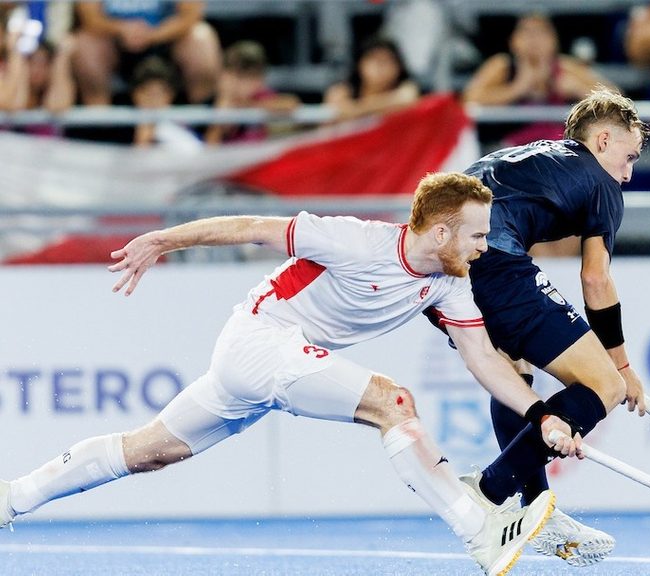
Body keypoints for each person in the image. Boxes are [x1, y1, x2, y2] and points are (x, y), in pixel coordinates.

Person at [0, 172, 587, 576]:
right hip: (259, 342)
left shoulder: (450, 280)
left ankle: (12, 497)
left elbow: (483, 359)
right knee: (392, 402)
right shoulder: (356, 241)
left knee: (153, 450)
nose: (487, 245)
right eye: (479, 234)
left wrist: (542, 418)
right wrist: (162, 239)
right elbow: (250, 226)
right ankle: (478, 531)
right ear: (441, 232)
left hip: (279, 360)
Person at [428, 87, 648, 567]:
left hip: (438, 263)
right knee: (603, 386)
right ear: (604, 139)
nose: (628, 174)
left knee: (513, 369)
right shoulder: (601, 183)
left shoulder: (528, 154)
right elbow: (595, 278)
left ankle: (534, 511)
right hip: (493, 261)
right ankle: (488, 493)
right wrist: (623, 366)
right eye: (629, 157)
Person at [462, 13, 609, 147]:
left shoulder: (565, 67)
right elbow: (469, 99)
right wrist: (516, 89)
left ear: (554, 41)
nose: (534, 38)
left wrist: (579, 89)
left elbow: (615, 98)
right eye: (526, 31)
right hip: (507, 151)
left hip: (559, 150)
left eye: (541, 31)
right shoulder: (503, 66)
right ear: (513, 41)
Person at [72, 0, 221, 106]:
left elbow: (191, 16)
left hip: (166, 38)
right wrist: (122, 29)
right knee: (85, 43)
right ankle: (98, 125)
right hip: (114, 40)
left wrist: (153, 35)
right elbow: (89, 17)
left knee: (201, 38)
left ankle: (203, 121)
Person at [205, 40, 299, 145]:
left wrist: (246, 106)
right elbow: (211, 144)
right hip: (229, 158)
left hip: (259, 157)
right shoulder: (218, 100)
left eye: (253, 76)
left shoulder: (261, 95)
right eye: (241, 76)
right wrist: (226, 103)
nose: (247, 84)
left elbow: (291, 104)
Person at [323, 35, 420, 124]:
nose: (381, 67)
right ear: (360, 65)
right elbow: (336, 111)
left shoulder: (406, 88)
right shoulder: (342, 91)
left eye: (388, 61)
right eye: (374, 60)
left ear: (399, 67)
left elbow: (406, 99)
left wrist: (355, 109)